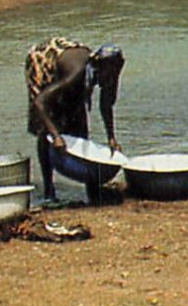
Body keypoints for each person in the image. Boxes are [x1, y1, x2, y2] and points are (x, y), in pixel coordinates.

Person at [25, 39, 124, 203]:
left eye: (115, 70)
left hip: (69, 64)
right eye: (108, 72)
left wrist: (111, 138)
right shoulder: (77, 72)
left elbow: (106, 105)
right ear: (98, 66)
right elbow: (40, 102)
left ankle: (92, 190)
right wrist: (56, 135)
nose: (111, 76)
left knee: (78, 118)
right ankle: (49, 191)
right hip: (44, 59)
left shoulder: (111, 72)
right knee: (46, 126)